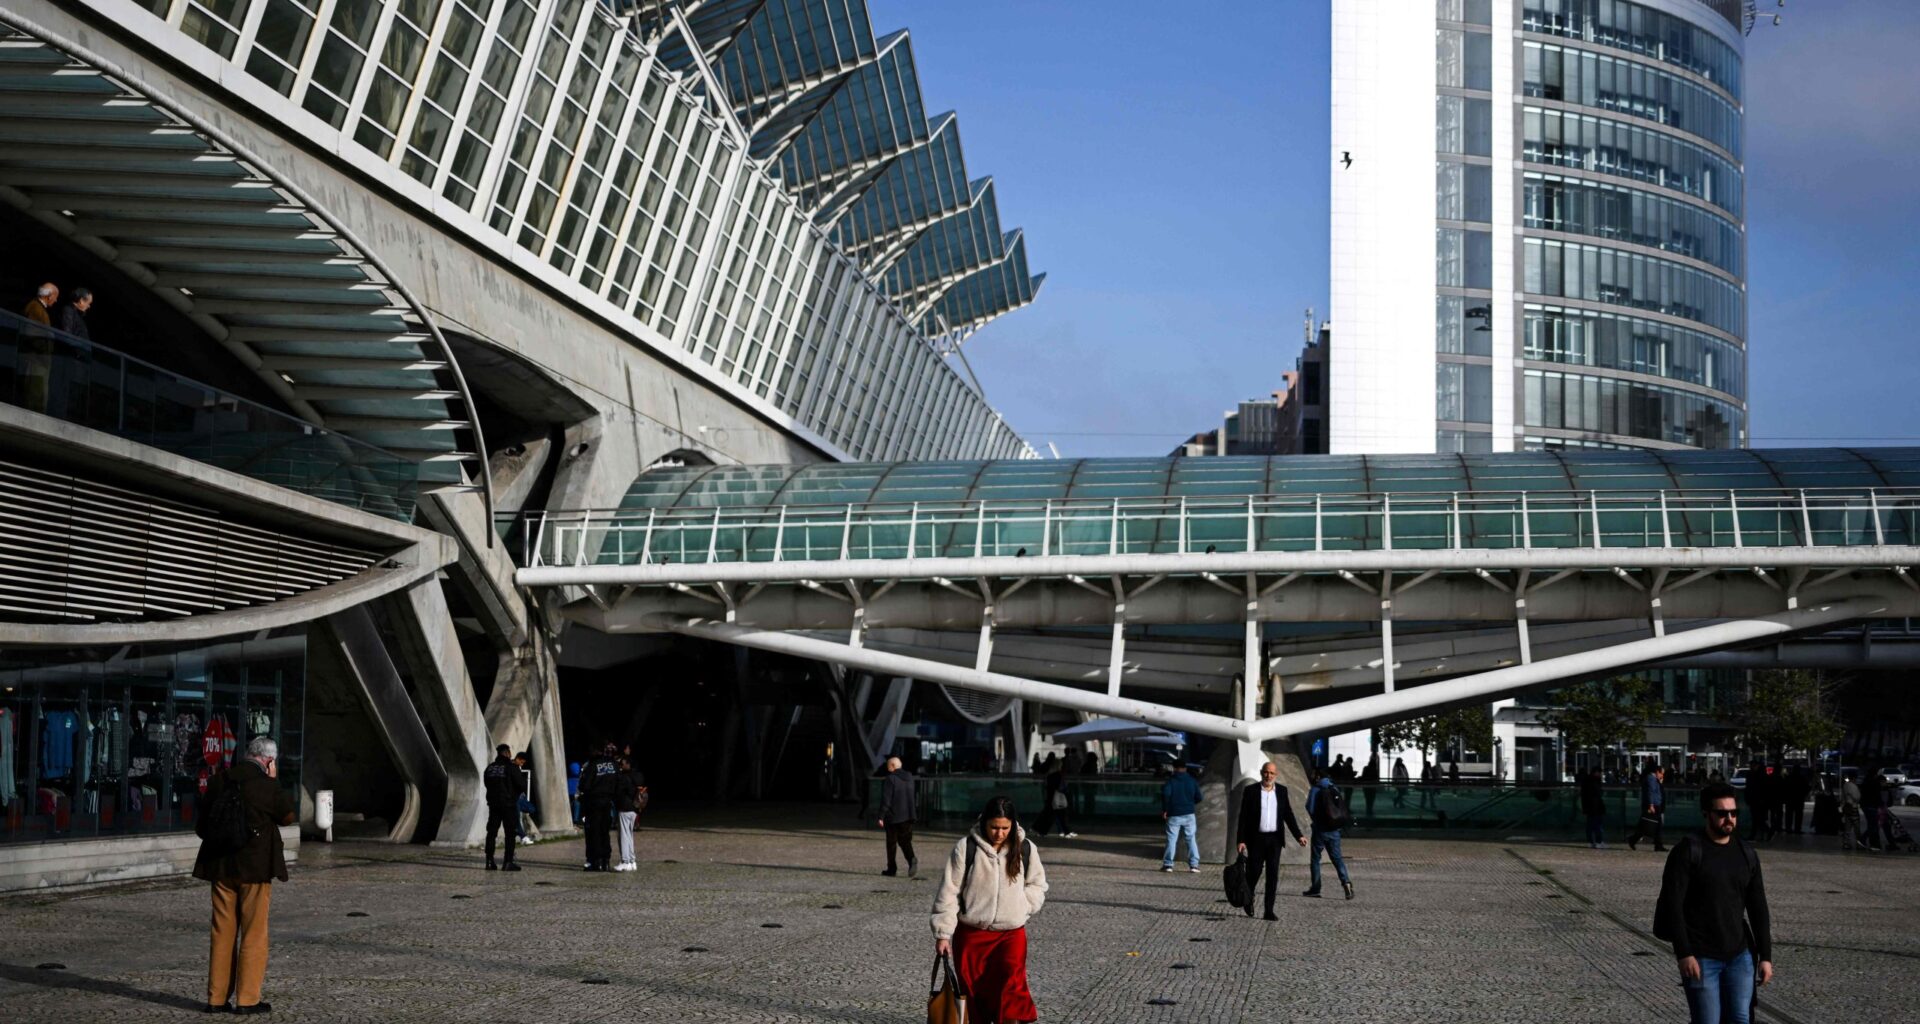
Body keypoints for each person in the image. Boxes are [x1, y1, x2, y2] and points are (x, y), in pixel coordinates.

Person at [193, 735, 296, 1015]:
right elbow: (287, 816)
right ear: (269, 760)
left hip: (221, 867)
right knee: (254, 932)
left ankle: (216, 998)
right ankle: (247, 999)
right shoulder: (266, 786)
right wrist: (274, 781)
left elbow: (202, 826)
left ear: (248, 754)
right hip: (255, 869)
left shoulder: (220, 781)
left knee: (222, 931)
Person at [1655, 782, 1773, 1024]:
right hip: (1701, 957)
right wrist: (1684, 954)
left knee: (1740, 1019)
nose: (1728, 819)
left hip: (1739, 956)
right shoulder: (1687, 852)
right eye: (1721, 813)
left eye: (1733, 813)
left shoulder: (1746, 853)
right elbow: (1673, 905)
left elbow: (1758, 907)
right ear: (1706, 814)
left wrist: (1765, 956)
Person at [931, 796, 1048, 1024]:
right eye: (994, 827)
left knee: (1011, 987)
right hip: (972, 935)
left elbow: (1038, 883)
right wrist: (943, 934)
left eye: (1005, 828)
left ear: (1013, 824)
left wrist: (1025, 906)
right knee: (975, 994)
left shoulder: (1025, 848)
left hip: (1011, 934)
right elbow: (949, 891)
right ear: (984, 822)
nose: (1000, 833)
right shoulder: (966, 848)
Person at [1235, 761, 1306, 921]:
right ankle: (1248, 897)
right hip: (1256, 839)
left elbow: (1288, 815)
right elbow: (1243, 817)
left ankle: (1269, 910)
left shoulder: (1281, 791)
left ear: (1276, 775)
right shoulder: (1251, 791)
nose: (1268, 776)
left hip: (1274, 840)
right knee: (1254, 872)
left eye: (1272, 773)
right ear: (1261, 773)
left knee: (1272, 875)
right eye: (1266, 772)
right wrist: (1241, 840)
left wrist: (1299, 835)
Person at [1301, 771, 1354, 900]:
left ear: (1318, 776)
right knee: (1337, 859)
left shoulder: (1316, 789)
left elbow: (1309, 807)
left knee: (1315, 859)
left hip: (1320, 829)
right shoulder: (1333, 787)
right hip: (1335, 829)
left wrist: (1316, 819)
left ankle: (1316, 888)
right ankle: (1346, 883)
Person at [481, 743, 523, 871]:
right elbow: (521, 785)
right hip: (508, 805)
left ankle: (489, 861)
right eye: (509, 752)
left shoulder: (490, 768)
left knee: (491, 832)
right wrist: (513, 795)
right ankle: (508, 862)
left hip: (493, 805)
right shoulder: (512, 767)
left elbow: (487, 784)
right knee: (510, 833)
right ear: (506, 753)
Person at [877, 755, 918, 878]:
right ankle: (912, 859)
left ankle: (891, 869)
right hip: (908, 815)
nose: (887, 768)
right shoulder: (910, 777)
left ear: (893, 766)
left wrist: (881, 816)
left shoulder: (891, 778)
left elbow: (887, 799)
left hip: (893, 816)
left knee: (891, 843)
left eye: (888, 766)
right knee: (905, 841)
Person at [580, 743, 617, 871]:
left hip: (594, 802)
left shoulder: (592, 765)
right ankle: (606, 860)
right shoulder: (613, 765)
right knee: (604, 832)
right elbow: (617, 782)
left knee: (594, 832)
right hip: (608, 801)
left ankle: (596, 861)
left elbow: (585, 785)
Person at [1159, 761, 1201, 873]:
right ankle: (1194, 865)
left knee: (1171, 839)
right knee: (1191, 839)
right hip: (1189, 813)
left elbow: (1166, 795)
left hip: (1174, 814)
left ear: (1174, 768)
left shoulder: (1171, 782)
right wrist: (1190, 803)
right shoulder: (1192, 781)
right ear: (1185, 768)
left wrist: (1165, 810)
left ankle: (1168, 865)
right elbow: (1199, 797)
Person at [613, 756, 643, 871]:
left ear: (628, 764)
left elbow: (618, 792)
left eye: (623, 763)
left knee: (624, 836)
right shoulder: (638, 776)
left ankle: (625, 861)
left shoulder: (624, 777)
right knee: (629, 835)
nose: (621, 765)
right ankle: (632, 861)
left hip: (625, 807)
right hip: (635, 808)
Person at [1629, 763, 1667, 852]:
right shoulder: (1652, 779)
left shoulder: (1653, 779)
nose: (1662, 776)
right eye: (1661, 773)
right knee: (1652, 825)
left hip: (1655, 804)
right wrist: (1651, 805)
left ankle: (1657, 844)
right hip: (1654, 805)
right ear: (1657, 772)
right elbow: (1651, 792)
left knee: (1648, 825)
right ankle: (1657, 844)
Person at [1042, 757, 1076, 838]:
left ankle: (1063, 831)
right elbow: (1061, 786)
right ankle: (1064, 831)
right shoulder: (1057, 775)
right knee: (1059, 815)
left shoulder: (1050, 775)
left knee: (1055, 815)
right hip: (1058, 797)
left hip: (1052, 797)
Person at [513, 750, 541, 844]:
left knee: (531, 809)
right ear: (517, 759)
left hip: (520, 796)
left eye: (523, 763)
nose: (522, 764)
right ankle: (522, 836)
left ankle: (519, 832)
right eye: (521, 762)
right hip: (514, 797)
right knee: (516, 817)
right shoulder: (511, 767)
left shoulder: (517, 767)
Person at [1579, 766, 1607, 849]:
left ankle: (1591, 841)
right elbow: (1596, 795)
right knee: (1597, 825)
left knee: (1590, 825)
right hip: (1595, 807)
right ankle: (1598, 841)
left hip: (1589, 807)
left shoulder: (1587, 781)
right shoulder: (1594, 782)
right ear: (1596, 772)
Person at [1838, 774, 1863, 851]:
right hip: (1853, 807)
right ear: (1854, 778)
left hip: (1846, 808)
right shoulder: (1854, 786)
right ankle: (1859, 844)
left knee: (1847, 827)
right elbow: (1857, 797)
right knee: (1857, 827)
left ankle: (1846, 843)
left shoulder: (1845, 786)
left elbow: (1842, 797)